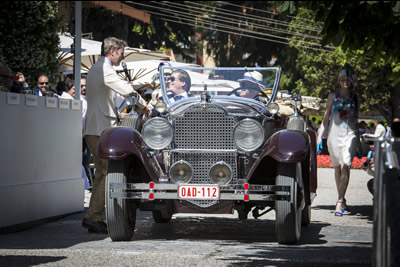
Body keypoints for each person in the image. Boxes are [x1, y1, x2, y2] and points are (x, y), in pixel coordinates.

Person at [82, 37, 151, 234]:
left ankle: (92, 217)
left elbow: (117, 99)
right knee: (106, 174)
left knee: (101, 175)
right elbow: (125, 90)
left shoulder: (99, 69)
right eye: (121, 52)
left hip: (97, 127)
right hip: (99, 128)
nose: (122, 56)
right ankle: (93, 217)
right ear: (113, 51)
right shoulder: (104, 68)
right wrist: (143, 105)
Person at [316, 64, 359, 217]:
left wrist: (358, 138)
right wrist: (320, 136)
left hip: (351, 133)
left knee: (345, 163)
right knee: (337, 168)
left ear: (352, 81)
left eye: (348, 79)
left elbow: (356, 118)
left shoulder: (355, 97)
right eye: (342, 79)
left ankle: (339, 201)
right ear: (339, 80)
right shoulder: (332, 96)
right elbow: (325, 118)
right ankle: (343, 198)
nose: (345, 81)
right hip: (335, 134)